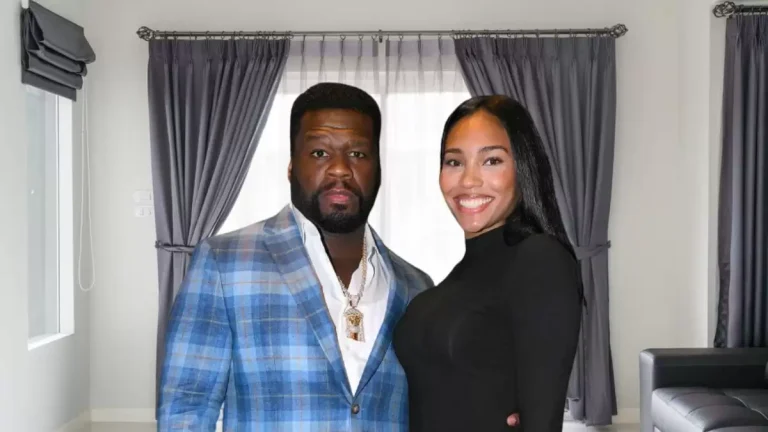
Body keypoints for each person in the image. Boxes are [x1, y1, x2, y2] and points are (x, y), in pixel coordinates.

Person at [157, 83, 520, 431]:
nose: (340, 169)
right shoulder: (225, 263)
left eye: (358, 154)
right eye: (319, 153)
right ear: (290, 166)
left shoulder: (415, 287)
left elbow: (437, 404)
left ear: (378, 169)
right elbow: (186, 408)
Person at [394, 95, 583, 432]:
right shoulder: (458, 276)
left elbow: (542, 421)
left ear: (523, 168)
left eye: (491, 160)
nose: (468, 180)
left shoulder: (539, 259)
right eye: (454, 162)